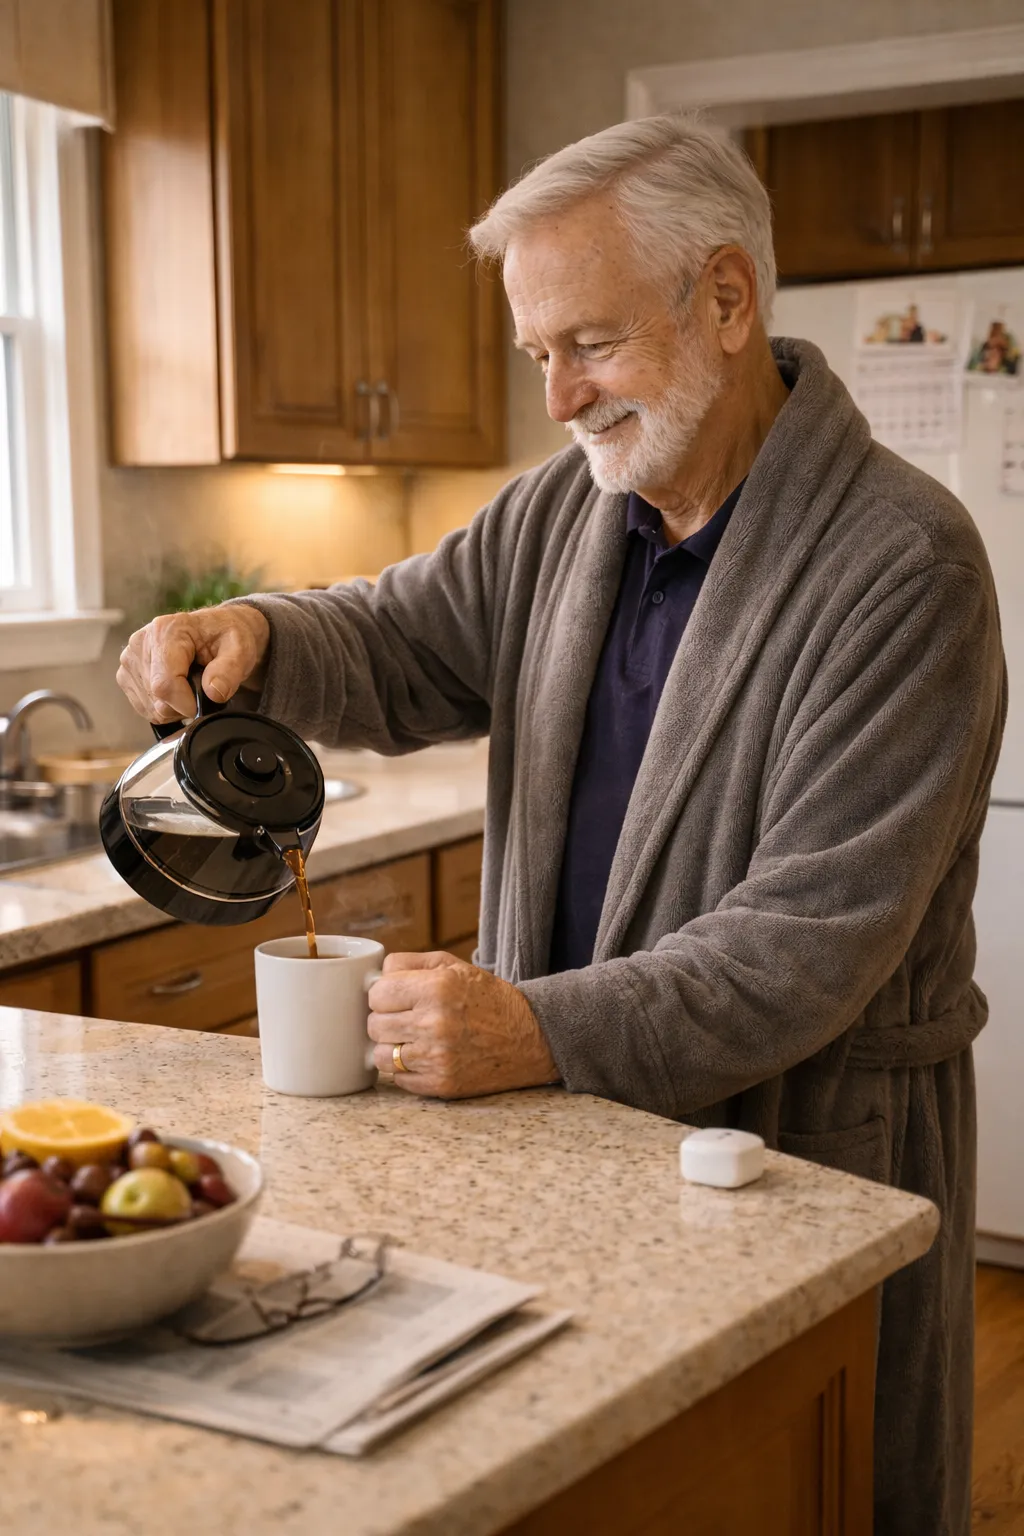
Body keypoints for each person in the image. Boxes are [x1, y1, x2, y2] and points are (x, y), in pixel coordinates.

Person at [117, 114, 1005, 1536]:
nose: (557, 394)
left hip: (799, 1152)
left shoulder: (902, 567)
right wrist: (254, 632)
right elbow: (395, 640)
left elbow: (804, 949)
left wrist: (535, 1030)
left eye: (585, 344)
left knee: (800, 1494)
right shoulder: (564, 516)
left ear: (724, 300)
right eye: (537, 352)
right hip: (562, 1137)